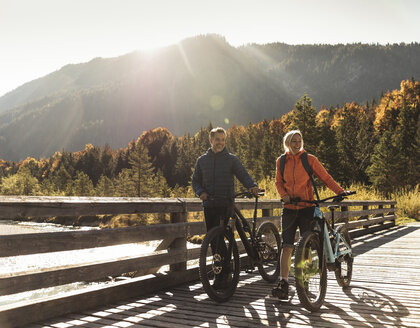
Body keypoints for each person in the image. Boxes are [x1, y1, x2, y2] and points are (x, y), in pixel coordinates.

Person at [272, 130, 349, 300]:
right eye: (293, 141)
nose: (297, 143)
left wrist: (339, 191)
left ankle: (305, 281)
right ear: (287, 143)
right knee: (286, 246)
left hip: (307, 207)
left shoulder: (309, 159)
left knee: (305, 246)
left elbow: (325, 178)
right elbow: (278, 181)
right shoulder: (281, 161)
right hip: (289, 207)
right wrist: (283, 194)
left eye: (299, 140)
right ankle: (283, 282)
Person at [192, 127, 259, 234]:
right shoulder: (202, 161)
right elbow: (195, 181)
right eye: (217, 139)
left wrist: (252, 186)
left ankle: (226, 251)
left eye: (223, 140)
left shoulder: (231, 159)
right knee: (212, 236)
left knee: (220, 235)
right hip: (209, 204)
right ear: (211, 140)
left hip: (225, 203)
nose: (221, 142)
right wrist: (201, 192)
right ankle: (219, 252)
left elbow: (243, 175)